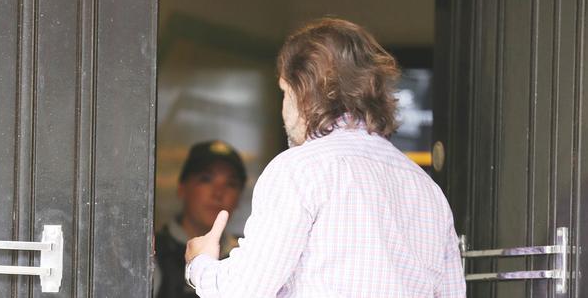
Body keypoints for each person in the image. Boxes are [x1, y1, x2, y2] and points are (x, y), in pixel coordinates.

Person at [184, 18, 466, 297]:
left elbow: (243, 291)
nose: (284, 107)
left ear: (302, 90)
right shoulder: (428, 190)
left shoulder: (299, 170)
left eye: (284, 92)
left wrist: (200, 264)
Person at [155, 140, 247, 298]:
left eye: (230, 184)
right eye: (206, 179)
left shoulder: (244, 254)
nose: (218, 193)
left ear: (239, 199)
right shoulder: (153, 251)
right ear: (182, 188)